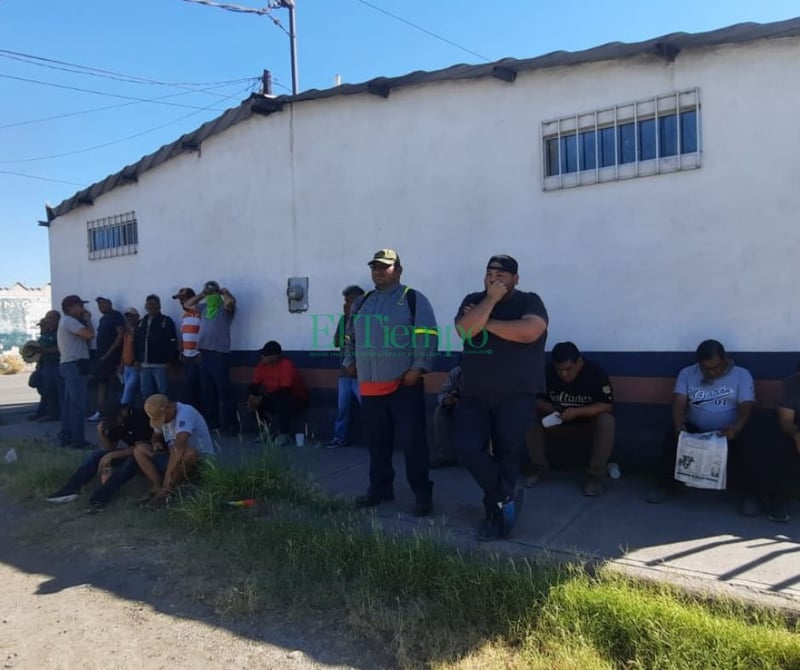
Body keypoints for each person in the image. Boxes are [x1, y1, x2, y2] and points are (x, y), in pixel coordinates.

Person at [454, 254, 548, 542]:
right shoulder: (474, 298)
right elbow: (465, 329)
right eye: (489, 272)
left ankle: (495, 514)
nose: (494, 277)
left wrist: (487, 320)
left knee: (508, 454)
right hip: (473, 393)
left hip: (516, 394)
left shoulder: (529, 301)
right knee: (466, 449)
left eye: (502, 273)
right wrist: (490, 300)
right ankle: (505, 498)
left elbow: (529, 331)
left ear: (516, 279)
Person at [342, 249, 439, 516]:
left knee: (412, 442)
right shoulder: (362, 302)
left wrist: (418, 367)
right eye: (375, 267)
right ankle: (380, 488)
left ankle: (422, 493)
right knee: (377, 442)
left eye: (385, 267)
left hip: (403, 385)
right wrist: (348, 361)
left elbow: (427, 334)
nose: (379, 272)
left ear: (398, 270)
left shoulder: (412, 299)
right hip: (371, 387)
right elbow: (349, 336)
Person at [646, 340, 761, 515]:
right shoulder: (687, 373)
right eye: (706, 369)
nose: (712, 372)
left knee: (751, 441)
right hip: (696, 428)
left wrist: (737, 427)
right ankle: (665, 486)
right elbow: (679, 401)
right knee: (672, 437)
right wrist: (678, 424)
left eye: (716, 367)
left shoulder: (742, 375)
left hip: (727, 430)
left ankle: (749, 496)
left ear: (725, 360)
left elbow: (746, 405)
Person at [526, 341, 615, 496]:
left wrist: (576, 412)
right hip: (556, 422)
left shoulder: (595, 371)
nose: (564, 374)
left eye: (568, 369)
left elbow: (607, 406)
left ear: (579, 362)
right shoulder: (547, 372)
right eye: (559, 370)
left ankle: (595, 477)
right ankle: (540, 470)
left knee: (607, 421)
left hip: (586, 424)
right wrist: (553, 409)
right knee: (529, 419)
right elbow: (536, 400)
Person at [46, 399, 152, 511]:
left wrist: (111, 456)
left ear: (123, 411)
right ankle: (70, 489)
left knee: (128, 465)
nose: (115, 423)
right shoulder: (116, 421)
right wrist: (101, 433)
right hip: (131, 451)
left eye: (115, 420)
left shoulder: (138, 417)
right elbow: (110, 448)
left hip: (145, 455)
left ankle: (100, 498)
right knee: (97, 455)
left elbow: (142, 448)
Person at [135, 393, 216, 508]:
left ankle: (167, 490)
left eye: (163, 419)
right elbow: (155, 436)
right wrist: (156, 443)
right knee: (139, 449)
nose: (162, 423)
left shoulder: (185, 412)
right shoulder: (162, 415)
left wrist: (166, 482)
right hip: (174, 458)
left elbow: (179, 449)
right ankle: (156, 486)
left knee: (189, 453)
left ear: (168, 408)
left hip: (197, 461)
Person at [183, 281, 237, 434]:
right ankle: (213, 425)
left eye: (213, 294)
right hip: (204, 354)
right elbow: (187, 304)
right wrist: (202, 294)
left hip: (219, 354)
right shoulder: (204, 308)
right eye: (210, 295)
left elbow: (230, 302)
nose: (211, 297)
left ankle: (229, 426)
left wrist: (224, 291)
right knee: (207, 391)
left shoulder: (224, 310)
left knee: (223, 391)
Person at [247, 340, 310, 444]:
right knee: (253, 403)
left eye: (265, 355)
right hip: (275, 396)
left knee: (282, 402)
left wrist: (262, 398)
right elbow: (254, 385)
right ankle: (266, 431)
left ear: (275, 356)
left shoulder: (286, 365)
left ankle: (284, 435)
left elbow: (285, 391)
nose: (262, 357)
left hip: (297, 399)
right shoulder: (261, 366)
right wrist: (252, 397)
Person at [326, 284, 365, 448]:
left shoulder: (365, 320)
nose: (345, 304)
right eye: (345, 301)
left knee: (369, 407)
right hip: (344, 374)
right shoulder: (344, 320)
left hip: (362, 374)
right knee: (343, 409)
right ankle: (340, 437)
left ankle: (377, 437)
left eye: (349, 301)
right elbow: (336, 341)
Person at [57, 294, 95, 449]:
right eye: (80, 306)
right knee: (77, 405)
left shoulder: (67, 321)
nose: (83, 309)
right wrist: (88, 319)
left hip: (70, 365)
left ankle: (67, 436)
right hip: (74, 366)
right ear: (70, 308)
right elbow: (90, 335)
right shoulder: (70, 321)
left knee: (69, 404)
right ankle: (78, 440)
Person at [88, 297, 125, 422]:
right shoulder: (103, 319)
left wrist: (110, 353)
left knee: (122, 383)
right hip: (101, 355)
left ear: (110, 304)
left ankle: (122, 411)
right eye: (99, 305)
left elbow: (120, 335)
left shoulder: (116, 316)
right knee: (101, 382)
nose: (101, 307)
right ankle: (101, 411)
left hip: (114, 356)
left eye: (103, 304)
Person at [134, 294, 178, 399]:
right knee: (145, 393)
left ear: (159, 306)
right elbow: (136, 342)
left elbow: (172, 342)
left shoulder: (166, 321)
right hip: (143, 365)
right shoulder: (141, 322)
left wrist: (171, 362)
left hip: (161, 365)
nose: (151, 306)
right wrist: (136, 360)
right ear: (145, 306)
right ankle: (148, 414)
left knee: (163, 393)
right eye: (149, 304)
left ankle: (166, 415)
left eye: (154, 304)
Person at [172, 287, 203, 412]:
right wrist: (181, 351)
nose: (181, 302)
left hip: (198, 356)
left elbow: (205, 333)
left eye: (183, 299)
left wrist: (201, 352)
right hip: (186, 356)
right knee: (187, 385)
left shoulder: (200, 313)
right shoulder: (185, 316)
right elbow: (183, 335)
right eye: (180, 300)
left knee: (193, 386)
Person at [28, 310, 62, 422]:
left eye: (50, 318)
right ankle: (46, 413)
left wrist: (44, 350)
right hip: (45, 364)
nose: (47, 321)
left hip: (56, 364)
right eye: (47, 318)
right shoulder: (46, 333)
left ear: (57, 320)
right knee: (46, 390)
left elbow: (60, 348)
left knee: (58, 390)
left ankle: (58, 414)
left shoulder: (59, 333)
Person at [431, 364, 462, 468]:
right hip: (460, 405)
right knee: (440, 409)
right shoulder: (457, 372)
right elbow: (443, 393)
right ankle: (445, 455)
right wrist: (446, 400)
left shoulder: (488, 370)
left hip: (483, 406)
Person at [119, 307, 141, 406]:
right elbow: (124, 348)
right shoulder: (127, 333)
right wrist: (121, 363)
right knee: (128, 390)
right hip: (126, 367)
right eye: (127, 317)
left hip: (134, 366)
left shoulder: (140, 331)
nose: (129, 319)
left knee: (129, 389)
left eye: (132, 316)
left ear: (137, 317)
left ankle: (121, 410)